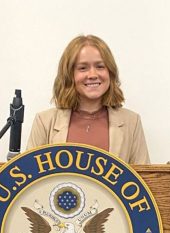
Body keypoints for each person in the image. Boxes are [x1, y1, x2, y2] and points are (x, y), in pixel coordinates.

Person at [27, 35, 150, 164]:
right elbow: (31, 178)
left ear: (110, 72)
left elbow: (145, 180)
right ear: (69, 75)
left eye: (100, 66)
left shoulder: (132, 122)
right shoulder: (44, 122)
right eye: (83, 68)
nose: (92, 75)